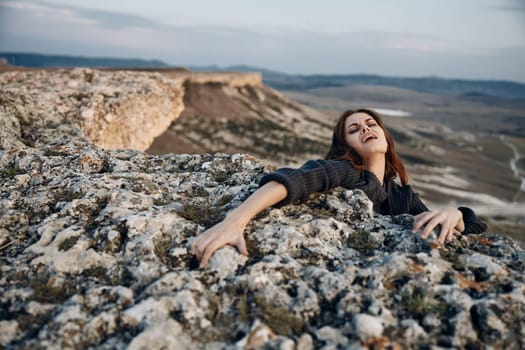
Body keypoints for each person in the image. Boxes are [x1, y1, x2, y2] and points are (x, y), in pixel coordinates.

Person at [192, 108, 487, 267]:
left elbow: (473, 233)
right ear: (346, 146)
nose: (366, 130)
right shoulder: (345, 171)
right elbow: (291, 180)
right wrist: (235, 222)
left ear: (384, 134)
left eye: (371, 124)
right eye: (355, 129)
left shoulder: (402, 196)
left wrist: (455, 212)